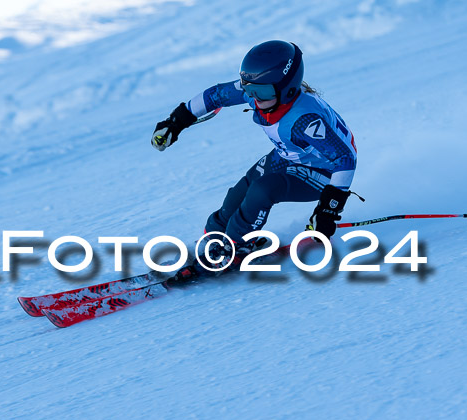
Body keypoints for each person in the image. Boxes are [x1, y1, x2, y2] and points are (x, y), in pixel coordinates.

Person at [151, 40, 358, 283]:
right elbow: (215, 95)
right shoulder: (264, 92)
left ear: (288, 89)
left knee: (263, 190)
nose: (254, 98)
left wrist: (327, 211)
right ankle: (216, 237)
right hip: (288, 155)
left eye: (262, 92)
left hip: (323, 172)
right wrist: (176, 121)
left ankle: (237, 247)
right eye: (249, 90)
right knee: (241, 191)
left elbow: (345, 159)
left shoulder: (305, 120)